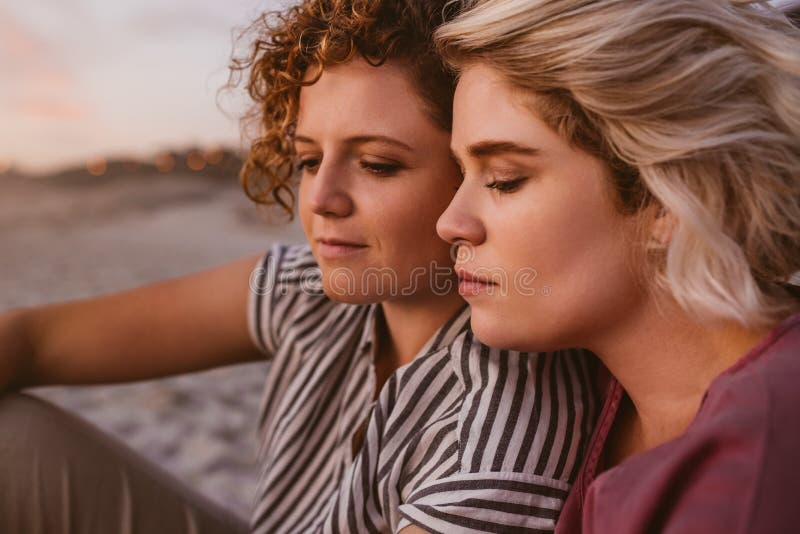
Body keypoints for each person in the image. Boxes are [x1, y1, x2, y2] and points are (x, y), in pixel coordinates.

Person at [0, 0, 595, 532]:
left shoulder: (500, 432)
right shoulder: (306, 285)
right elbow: (33, 340)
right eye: (309, 159)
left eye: (378, 165)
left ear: (476, 172)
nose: (320, 199)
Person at [430, 0, 800, 532]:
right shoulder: (593, 387)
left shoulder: (756, 469)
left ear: (669, 195)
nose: (451, 222)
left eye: (505, 179)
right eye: (460, 171)